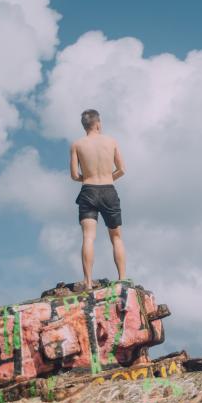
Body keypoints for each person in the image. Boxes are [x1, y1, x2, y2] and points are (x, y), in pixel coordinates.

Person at [70, 109, 127, 287]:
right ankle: (122, 278)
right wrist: (108, 177)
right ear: (97, 123)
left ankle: (88, 282)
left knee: (88, 237)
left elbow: (73, 175)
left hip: (88, 190)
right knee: (116, 237)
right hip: (108, 189)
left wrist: (87, 178)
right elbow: (122, 169)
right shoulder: (111, 141)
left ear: (85, 125)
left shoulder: (77, 145)